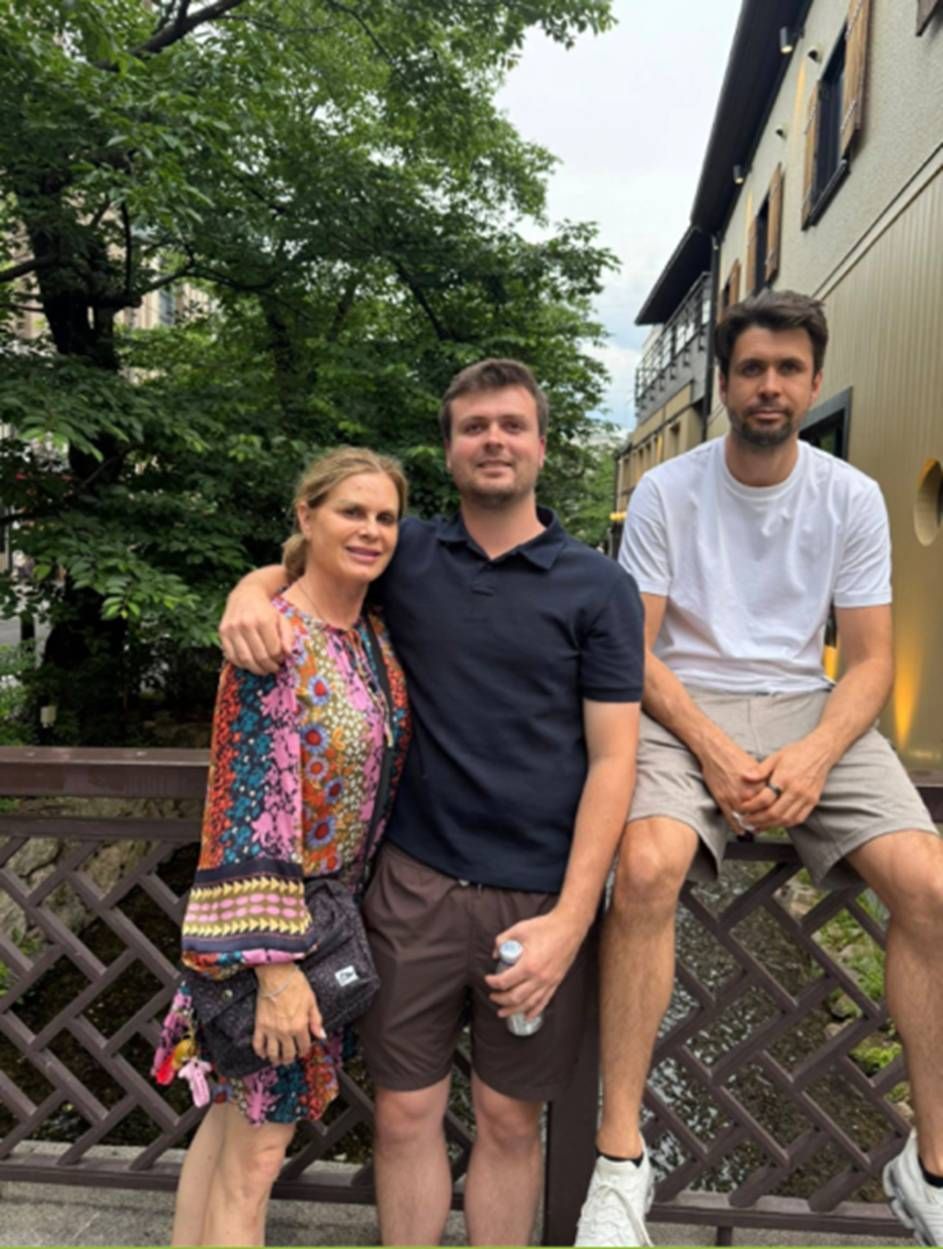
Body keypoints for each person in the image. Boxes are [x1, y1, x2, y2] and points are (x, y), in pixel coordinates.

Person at [219, 358, 645, 1245]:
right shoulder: (405, 552)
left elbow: (614, 759)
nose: (494, 439)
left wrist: (573, 917)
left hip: (535, 898)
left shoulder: (598, 587)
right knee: (405, 1115)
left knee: (508, 1121)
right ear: (449, 449)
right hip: (409, 888)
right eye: (474, 426)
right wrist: (247, 592)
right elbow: (307, 567)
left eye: (511, 424)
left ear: (539, 442)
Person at [574, 290, 943, 1248]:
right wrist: (717, 749)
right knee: (646, 868)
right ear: (724, 384)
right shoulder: (668, 491)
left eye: (787, 369)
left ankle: (931, 1164)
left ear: (813, 381)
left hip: (811, 711)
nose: (768, 386)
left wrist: (814, 752)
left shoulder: (848, 495)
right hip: (681, 701)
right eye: (751, 369)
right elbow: (636, 652)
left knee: (934, 888)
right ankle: (619, 1162)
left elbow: (868, 662)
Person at [152, 447, 411, 1248]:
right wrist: (275, 970)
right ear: (306, 516)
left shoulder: (367, 632)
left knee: (228, 1129)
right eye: (350, 511)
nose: (369, 530)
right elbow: (243, 808)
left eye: (384, 516)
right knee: (256, 1166)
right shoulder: (274, 641)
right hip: (275, 938)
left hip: (321, 915)